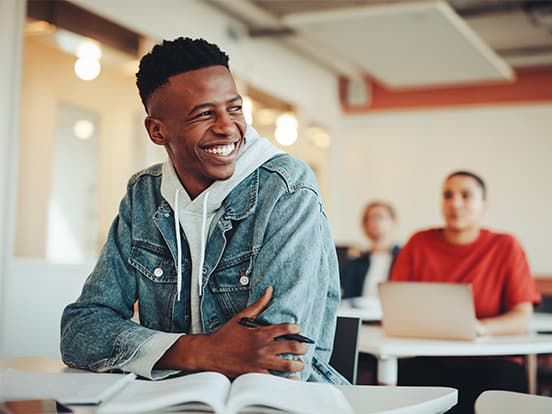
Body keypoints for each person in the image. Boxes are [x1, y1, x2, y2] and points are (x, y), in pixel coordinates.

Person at [60, 37, 345, 384]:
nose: (227, 127)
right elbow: (81, 330)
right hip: (169, 400)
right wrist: (201, 350)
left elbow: (280, 360)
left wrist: (160, 351)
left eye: (235, 108)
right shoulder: (144, 194)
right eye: (205, 113)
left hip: (274, 404)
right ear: (157, 130)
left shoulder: (285, 187)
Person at [390, 170, 541, 413]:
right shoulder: (418, 243)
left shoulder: (506, 246)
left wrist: (481, 328)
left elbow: (521, 317)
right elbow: (396, 305)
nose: (455, 203)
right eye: (448, 195)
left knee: (500, 383)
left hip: (492, 362)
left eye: (466, 196)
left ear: (484, 205)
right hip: (430, 358)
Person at [342, 201, 400, 300]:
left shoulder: (404, 258)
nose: (373, 222)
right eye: (367, 219)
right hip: (360, 313)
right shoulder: (356, 262)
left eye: (379, 217)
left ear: (393, 221)